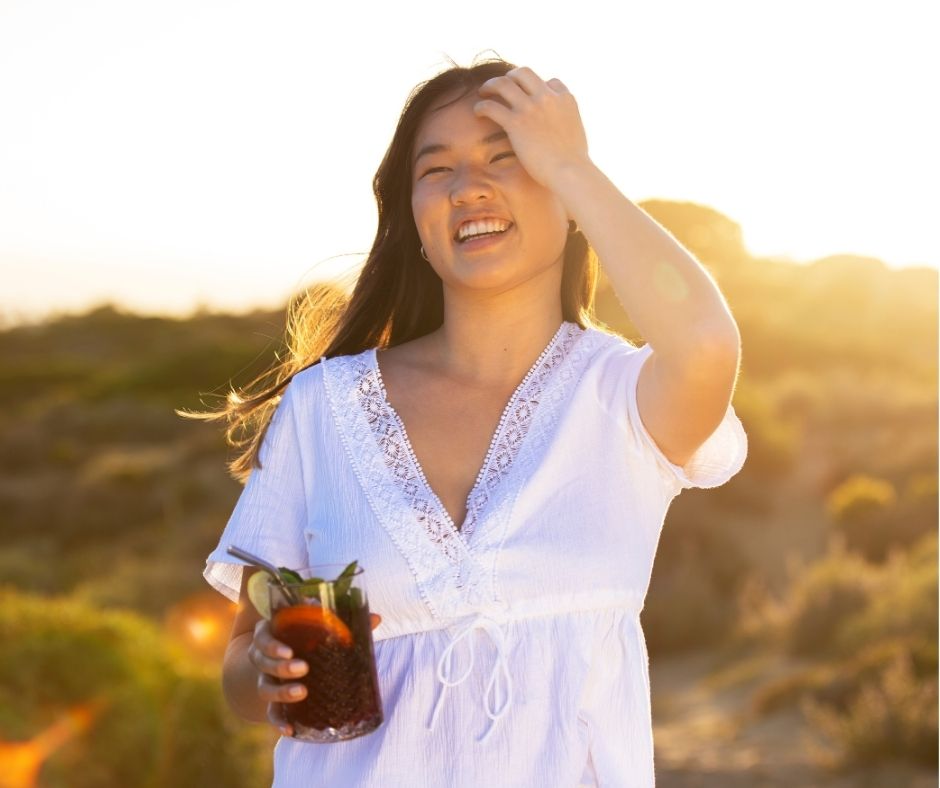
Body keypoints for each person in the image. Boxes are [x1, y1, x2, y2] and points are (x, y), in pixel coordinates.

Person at [195, 55, 747, 787]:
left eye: (507, 157)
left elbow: (707, 343)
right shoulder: (323, 407)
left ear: (566, 192)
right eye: (436, 170)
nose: (469, 187)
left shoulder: (622, 398)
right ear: (413, 219)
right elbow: (241, 667)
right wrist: (264, 668)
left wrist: (573, 165)